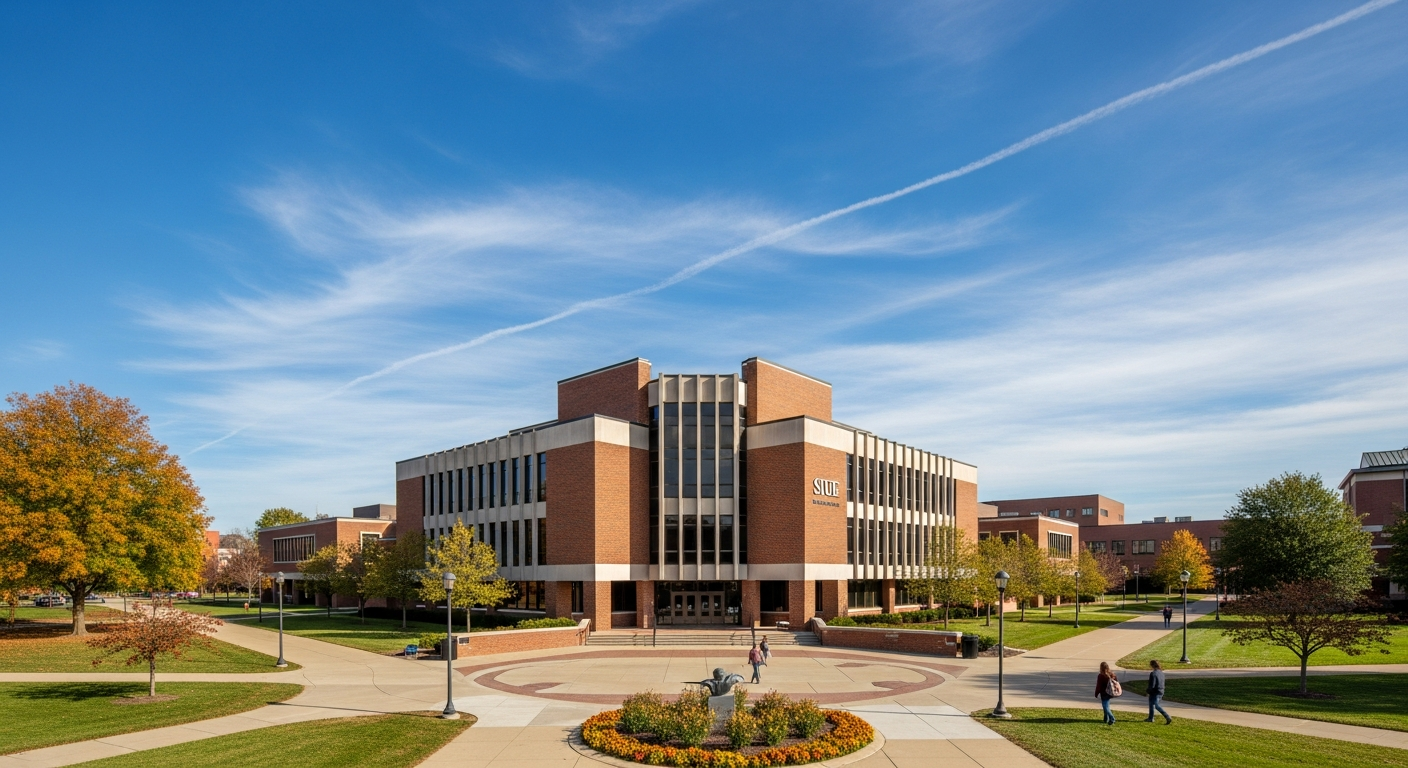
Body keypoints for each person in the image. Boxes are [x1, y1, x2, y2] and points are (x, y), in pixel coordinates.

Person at [1144, 660, 1172, 725]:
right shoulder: (1161, 673)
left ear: (1152, 665)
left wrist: (1148, 691)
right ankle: (1150, 718)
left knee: (1156, 705)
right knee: (1151, 704)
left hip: (1155, 692)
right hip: (1161, 691)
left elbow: (1152, 685)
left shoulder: (1153, 673)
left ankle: (1167, 716)